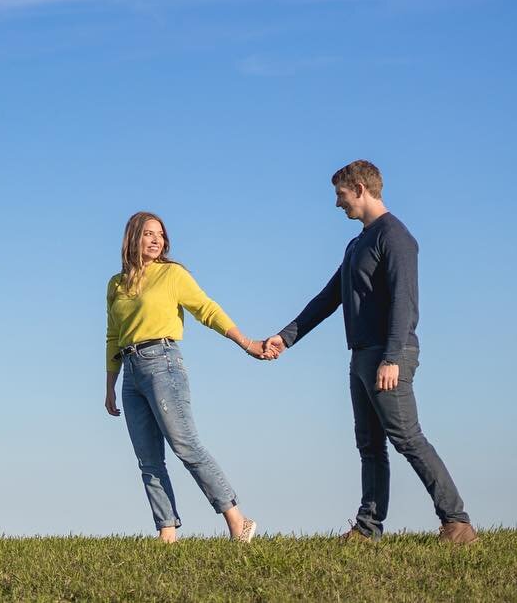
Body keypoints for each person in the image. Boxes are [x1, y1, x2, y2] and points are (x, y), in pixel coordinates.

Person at [261, 160, 479, 545]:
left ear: (360, 189)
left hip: (388, 354)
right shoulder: (355, 244)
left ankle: (457, 524)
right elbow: (329, 298)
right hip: (361, 355)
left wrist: (392, 357)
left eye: (340, 195)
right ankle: (367, 529)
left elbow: (404, 302)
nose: (336, 203)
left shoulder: (394, 236)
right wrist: (286, 336)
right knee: (369, 445)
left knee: (407, 438)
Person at [105, 210, 265, 542]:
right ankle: (167, 534)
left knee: (185, 445)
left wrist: (245, 342)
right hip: (131, 373)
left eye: (160, 235)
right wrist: (110, 385)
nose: (156, 240)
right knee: (147, 459)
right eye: (148, 233)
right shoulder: (116, 284)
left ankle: (238, 520)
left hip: (163, 362)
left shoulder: (172, 275)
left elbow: (206, 309)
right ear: (132, 237)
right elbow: (112, 335)